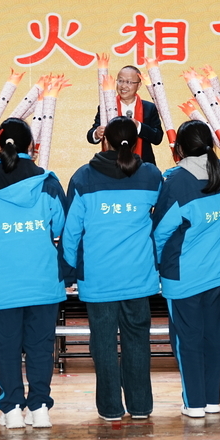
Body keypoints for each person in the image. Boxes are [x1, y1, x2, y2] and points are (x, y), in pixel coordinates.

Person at [0, 118, 68, 429]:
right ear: (32, 147)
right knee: (40, 347)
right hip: (44, 281)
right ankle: (40, 409)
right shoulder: (48, 183)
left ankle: (11, 411)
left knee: (7, 350)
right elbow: (62, 228)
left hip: (2, 283)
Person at [63, 116, 161, 421]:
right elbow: (162, 222)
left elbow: (70, 233)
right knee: (137, 341)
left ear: (104, 139)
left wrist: (68, 272)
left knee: (103, 344)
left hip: (98, 278)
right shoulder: (151, 175)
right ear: (136, 142)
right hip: (138, 276)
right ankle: (140, 406)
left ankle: (110, 408)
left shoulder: (83, 177)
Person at [151, 120, 220, 418]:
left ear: (180, 148)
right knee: (214, 337)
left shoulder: (176, 180)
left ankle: (195, 404)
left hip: (184, 274)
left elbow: (160, 232)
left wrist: (157, 264)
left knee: (187, 340)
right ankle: (212, 401)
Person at [86, 65, 164, 165]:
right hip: (112, 166)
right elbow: (91, 136)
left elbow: (157, 138)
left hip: (142, 165)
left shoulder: (149, 108)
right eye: (120, 81)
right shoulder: (106, 107)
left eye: (129, 82)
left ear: (139, 85)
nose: (123, 86)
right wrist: (96, 134)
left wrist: (139, 127)